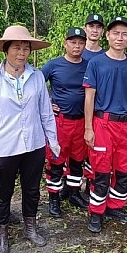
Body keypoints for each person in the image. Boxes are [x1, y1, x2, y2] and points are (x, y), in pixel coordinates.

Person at [0, 26, 60, 253]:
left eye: (25, 48)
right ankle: (2, 231)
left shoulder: (37, 76)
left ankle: (30, 227)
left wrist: (52, 139)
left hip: (33, 143)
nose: (21, 53)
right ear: (5, 50)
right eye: (16, 48)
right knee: (3, 192)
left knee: (32, 189)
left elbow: (45, 111)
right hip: (4, 146)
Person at [83, 16, 127, 233]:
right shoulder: (96, 63)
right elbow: (89, 96)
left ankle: (115, 207)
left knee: (124, 169)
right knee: (101, 170)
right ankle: (96, 212)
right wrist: (88, 128)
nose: (120, 38)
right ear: (108, 35)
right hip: (103, 123)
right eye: (116, 33)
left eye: (124, 34)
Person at [42, 27, 90, 217]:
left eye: (80, 43)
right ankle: (54, 198)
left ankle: (74, 193)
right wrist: (47, 102)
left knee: (78, 160)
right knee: (56, 161)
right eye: (73, 42)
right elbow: (35, 85)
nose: (76, 46)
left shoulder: (89, 66)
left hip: (82, 121)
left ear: (85, 45)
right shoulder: (53, 65)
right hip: (60, 122)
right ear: (65, 43)